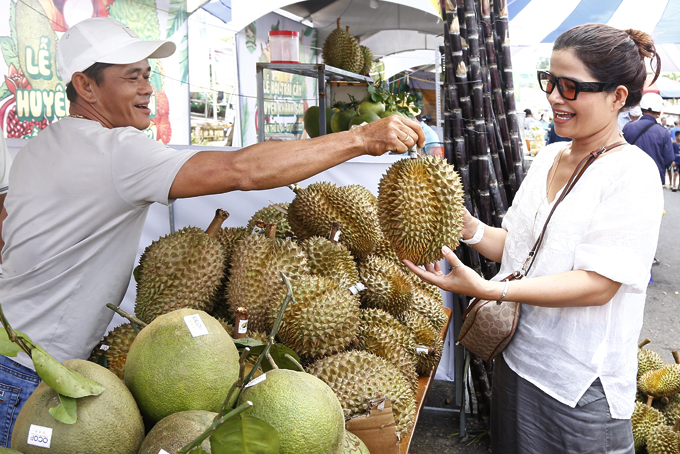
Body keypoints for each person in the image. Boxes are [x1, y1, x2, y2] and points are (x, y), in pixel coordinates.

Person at [0, 17, 425, 446]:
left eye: (148, 75)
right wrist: (360, 139)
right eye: (132, 77)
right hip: (33, 376)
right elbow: (240, 171)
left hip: (14, 348)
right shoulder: (115, 151)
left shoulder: (40, 146)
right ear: (86, 87)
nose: (148, 88)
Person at [406, 24, 663, 453]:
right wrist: (468, 227)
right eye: (550, 82)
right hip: (517, 360)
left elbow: (599, 284)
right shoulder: (548, 157)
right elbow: (516, 248)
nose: (554, 97)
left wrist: (492, 288)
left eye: (570, 87)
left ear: (617, 97)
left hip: (578, 385)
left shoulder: (632, 173)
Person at [622, 92, 674, 186]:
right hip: (654, 179)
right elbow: (669, 159)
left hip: (629, 177)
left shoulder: (628, 127)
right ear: (659, 112)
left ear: (642, 108)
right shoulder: (664, 132)